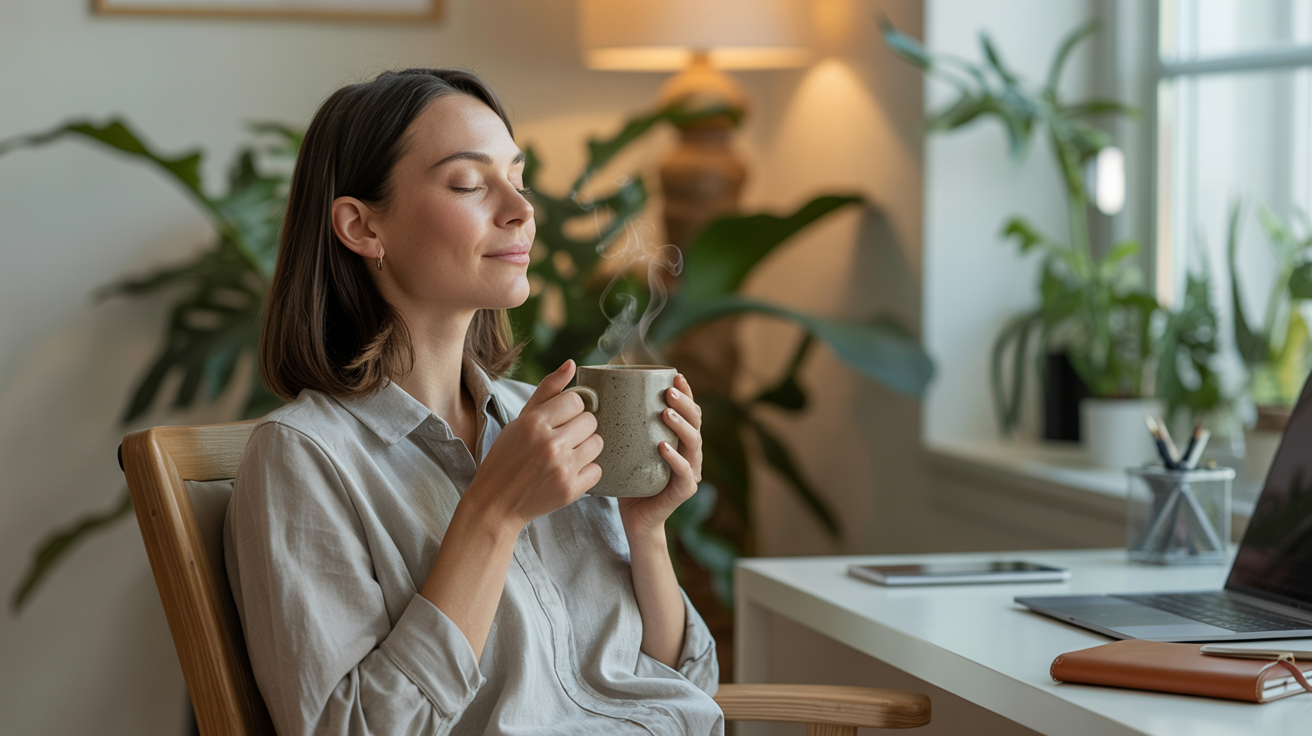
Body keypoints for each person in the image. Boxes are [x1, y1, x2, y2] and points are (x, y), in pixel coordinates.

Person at [223, 68, 722, 736]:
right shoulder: (305, 458)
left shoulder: (541, 422)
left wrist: (646, 530)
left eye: (517, 177)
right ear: (361, 226)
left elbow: (675, 686)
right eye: (468, 183)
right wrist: (492, 513)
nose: (520, 209)